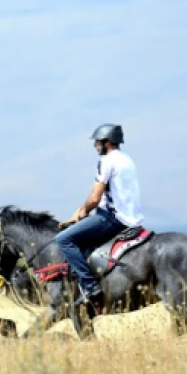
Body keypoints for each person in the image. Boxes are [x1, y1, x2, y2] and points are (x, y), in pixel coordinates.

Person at [55, 123, 143, 312]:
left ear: (108, 142)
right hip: (130, 218)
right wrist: (82, 211)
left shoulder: (107, 161)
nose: (95, 145)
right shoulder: (127, 159)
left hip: (112, 219)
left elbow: (95, 198)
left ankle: (89, 286)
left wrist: (84, 210)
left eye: (97, 142)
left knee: (63, 239)